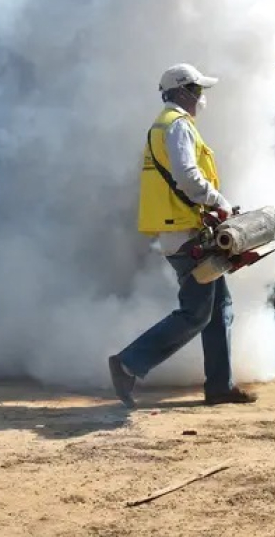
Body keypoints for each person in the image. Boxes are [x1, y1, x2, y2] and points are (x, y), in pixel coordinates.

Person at [108, 63, 256, 409]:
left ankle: (220, 386)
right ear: (181, 91)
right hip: (186, 235)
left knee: (220, 308)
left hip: (184, 231)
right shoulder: (177, 127)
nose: (201, 98)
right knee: (196, 313)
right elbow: (188, 178)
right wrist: (220, 202)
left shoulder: (166, 126)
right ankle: (128, 363)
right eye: (198, 90)